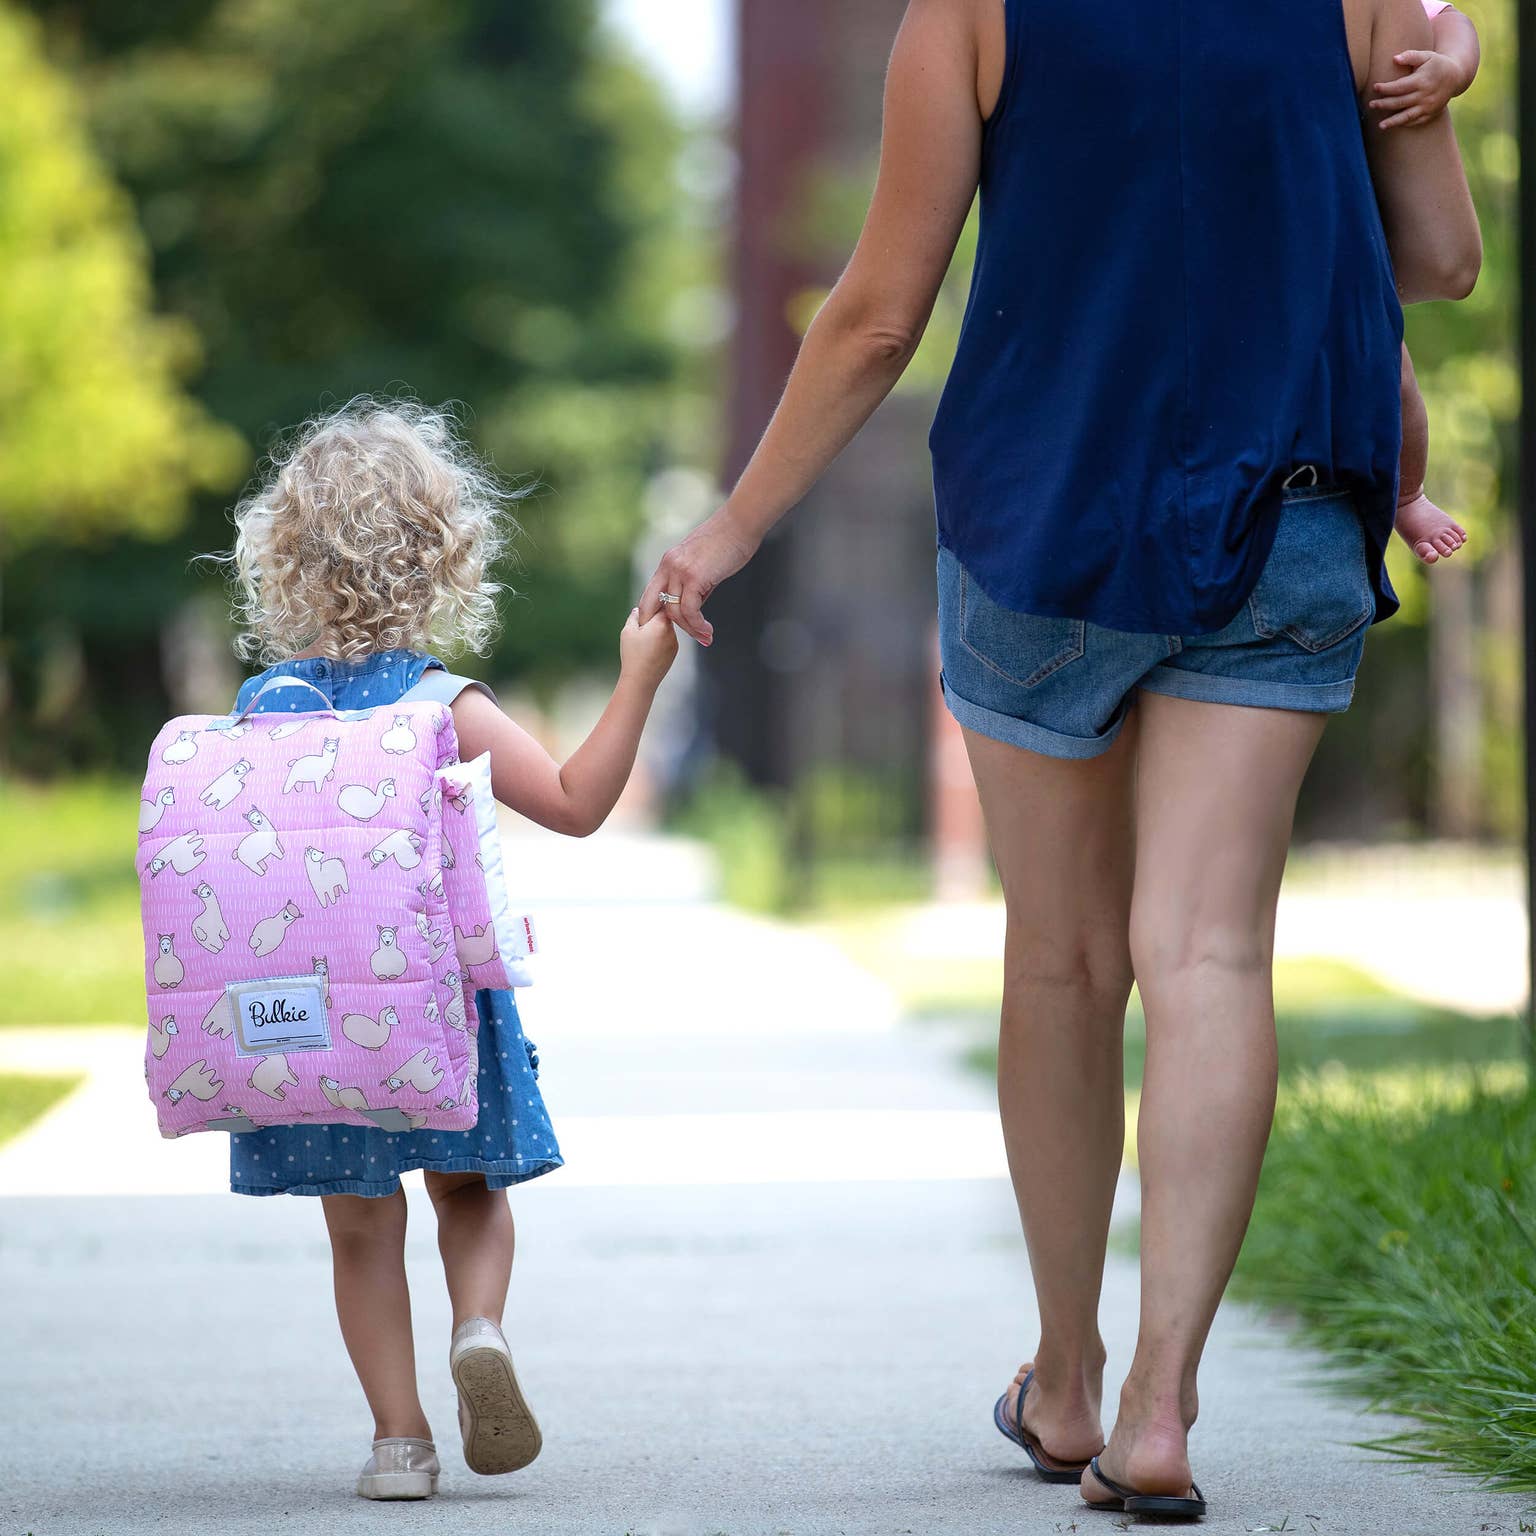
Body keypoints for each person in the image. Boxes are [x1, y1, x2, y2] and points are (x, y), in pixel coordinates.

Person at [640, 0, 1478, 1519]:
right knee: (1211, 955)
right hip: (1289, 513)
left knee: (1064, 966)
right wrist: (1427, 86)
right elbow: (1438, 265)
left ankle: (1072, 1378)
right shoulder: (1359, 6)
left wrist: (732, 524)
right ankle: (1164, 1407)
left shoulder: (970, 10)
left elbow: (879, 314)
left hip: (1046, 523)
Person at [218, 398, 677, 1500]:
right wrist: (640, 678)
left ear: (283, 561)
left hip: (313, 1019)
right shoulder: (443, 705)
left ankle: (399, 1444)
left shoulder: (260, 708)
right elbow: (572, 803)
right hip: (435, 1009)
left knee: (360, 1233)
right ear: (440, 556)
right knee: (467, 1192)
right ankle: (480, 1327)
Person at [1378, 0, 1483, 563]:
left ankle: (1407, 492)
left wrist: (1451, 70)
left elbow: (1453, 20)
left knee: (1390, 371)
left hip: (1363, 227)